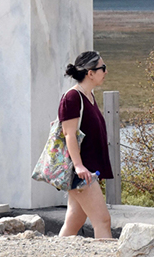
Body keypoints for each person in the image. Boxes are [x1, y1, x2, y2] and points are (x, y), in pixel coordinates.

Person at [58, 50, 113, 238]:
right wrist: (79, 166)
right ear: (90, 73)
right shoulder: (73, 97)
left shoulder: (89, 96)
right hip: (81, 172)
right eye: (102, 68)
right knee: (102, 220)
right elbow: (69, 134)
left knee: (74, 220)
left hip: (87, 170)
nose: (106, 72)